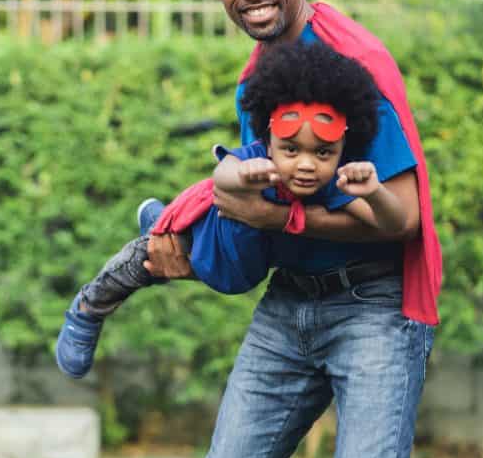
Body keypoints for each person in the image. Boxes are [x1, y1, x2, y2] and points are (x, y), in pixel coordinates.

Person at [141, 0, 443, 458]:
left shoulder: (355, 63)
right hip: (289, 305)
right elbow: (255, 217)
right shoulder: (255, 83)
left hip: (373, 308)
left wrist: (284, 217)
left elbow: (407, 216)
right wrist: (195, 242)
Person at [56, 41, 408, 380]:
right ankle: (85, 311)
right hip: (206, 241)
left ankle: (154, 216)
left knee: (179, 248)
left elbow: (393, 223)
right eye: (290, 150)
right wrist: (244, 176)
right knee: (139, 261)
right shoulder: (254, 160)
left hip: (238, 271)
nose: (306, 164)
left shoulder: (337, 183)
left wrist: (375, 191)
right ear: (268, 142)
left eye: (322, 153)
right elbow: (221, 177)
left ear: (343, 149)